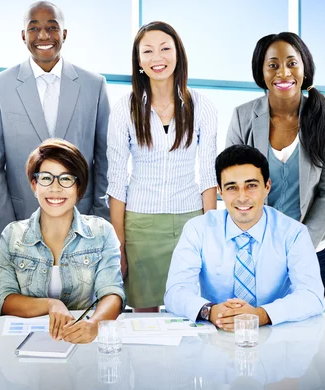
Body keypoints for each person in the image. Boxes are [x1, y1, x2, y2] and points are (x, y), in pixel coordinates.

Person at [107, 21, 217, 312]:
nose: (158, 58)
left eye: (165, 48)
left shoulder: (202, 107)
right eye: (148, 51)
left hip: (190, 222)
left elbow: (208, 176)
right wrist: (119, 243)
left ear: (178, 54)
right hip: (140, 225)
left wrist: (211, 232)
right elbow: (117, 181)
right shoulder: (125, 108)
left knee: (189, 310)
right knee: (144, 315)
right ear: (139, 61)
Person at [0, 1, 110, 246]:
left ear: (64, 34)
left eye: (52, 27)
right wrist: (2, 236)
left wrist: (99, 224)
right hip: (21, 225)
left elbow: (105, 162)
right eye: (34, 28)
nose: (43, 36)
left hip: (83, 227)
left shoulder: (95, 86)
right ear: (23, 35)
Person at [226, 32, 325, 295]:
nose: (283, 73)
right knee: (256, 328)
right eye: (273, 65)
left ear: (305, 68)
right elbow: (232, 185)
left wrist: (298, 245)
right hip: (255, 250)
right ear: (261, 71)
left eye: (292, 63)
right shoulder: (242, 116)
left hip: (311, 251)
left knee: (304, 332)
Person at [164, 145, 324, 328]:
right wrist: (210, 311)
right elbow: (175, 292)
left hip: (276, 337)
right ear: (220, 191)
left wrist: (261, 315)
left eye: (251, 186)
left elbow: (312, 296)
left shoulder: (293, 233)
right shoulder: (198, 230)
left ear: (267, 187)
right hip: (216, 336)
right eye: (232, 187)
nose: (242, 197)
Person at [0, 139, 125, 344]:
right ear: (34, 185)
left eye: (66, 179)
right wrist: (51, 305)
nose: (55, 188)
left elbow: (112, 293)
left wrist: (94, 325)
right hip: (27, 342)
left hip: (82, 341)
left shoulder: (101, 232)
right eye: (46, 178)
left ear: (78, 186)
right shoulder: (12, 235)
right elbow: (3, 300)